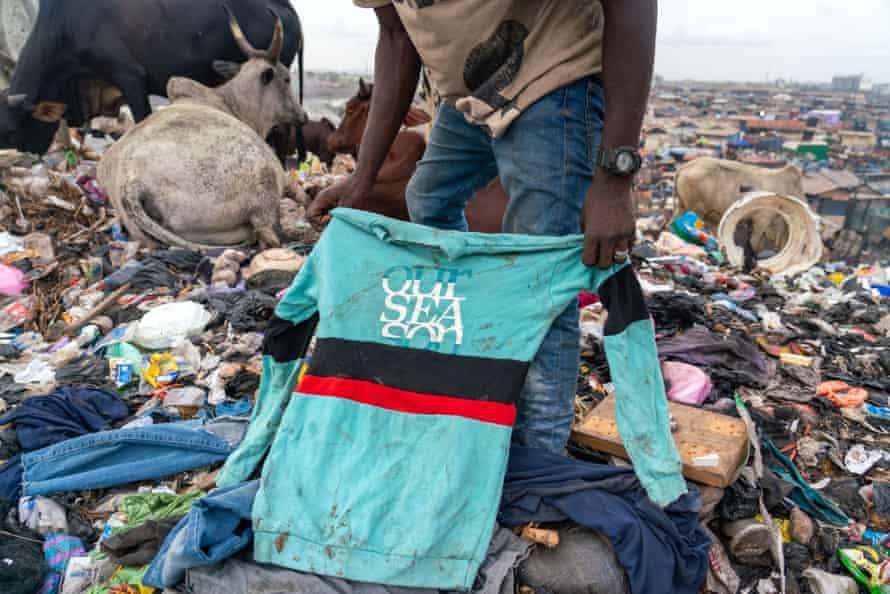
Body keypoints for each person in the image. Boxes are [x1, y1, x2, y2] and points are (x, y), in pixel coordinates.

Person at [307, 0, 656, 452]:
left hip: (553, 81)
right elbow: (396, 35)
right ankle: (472, 348)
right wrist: (362, 177)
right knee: (428, 202)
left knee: (539, 273)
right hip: (470, 93)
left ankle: (537, 459)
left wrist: (614, 178)